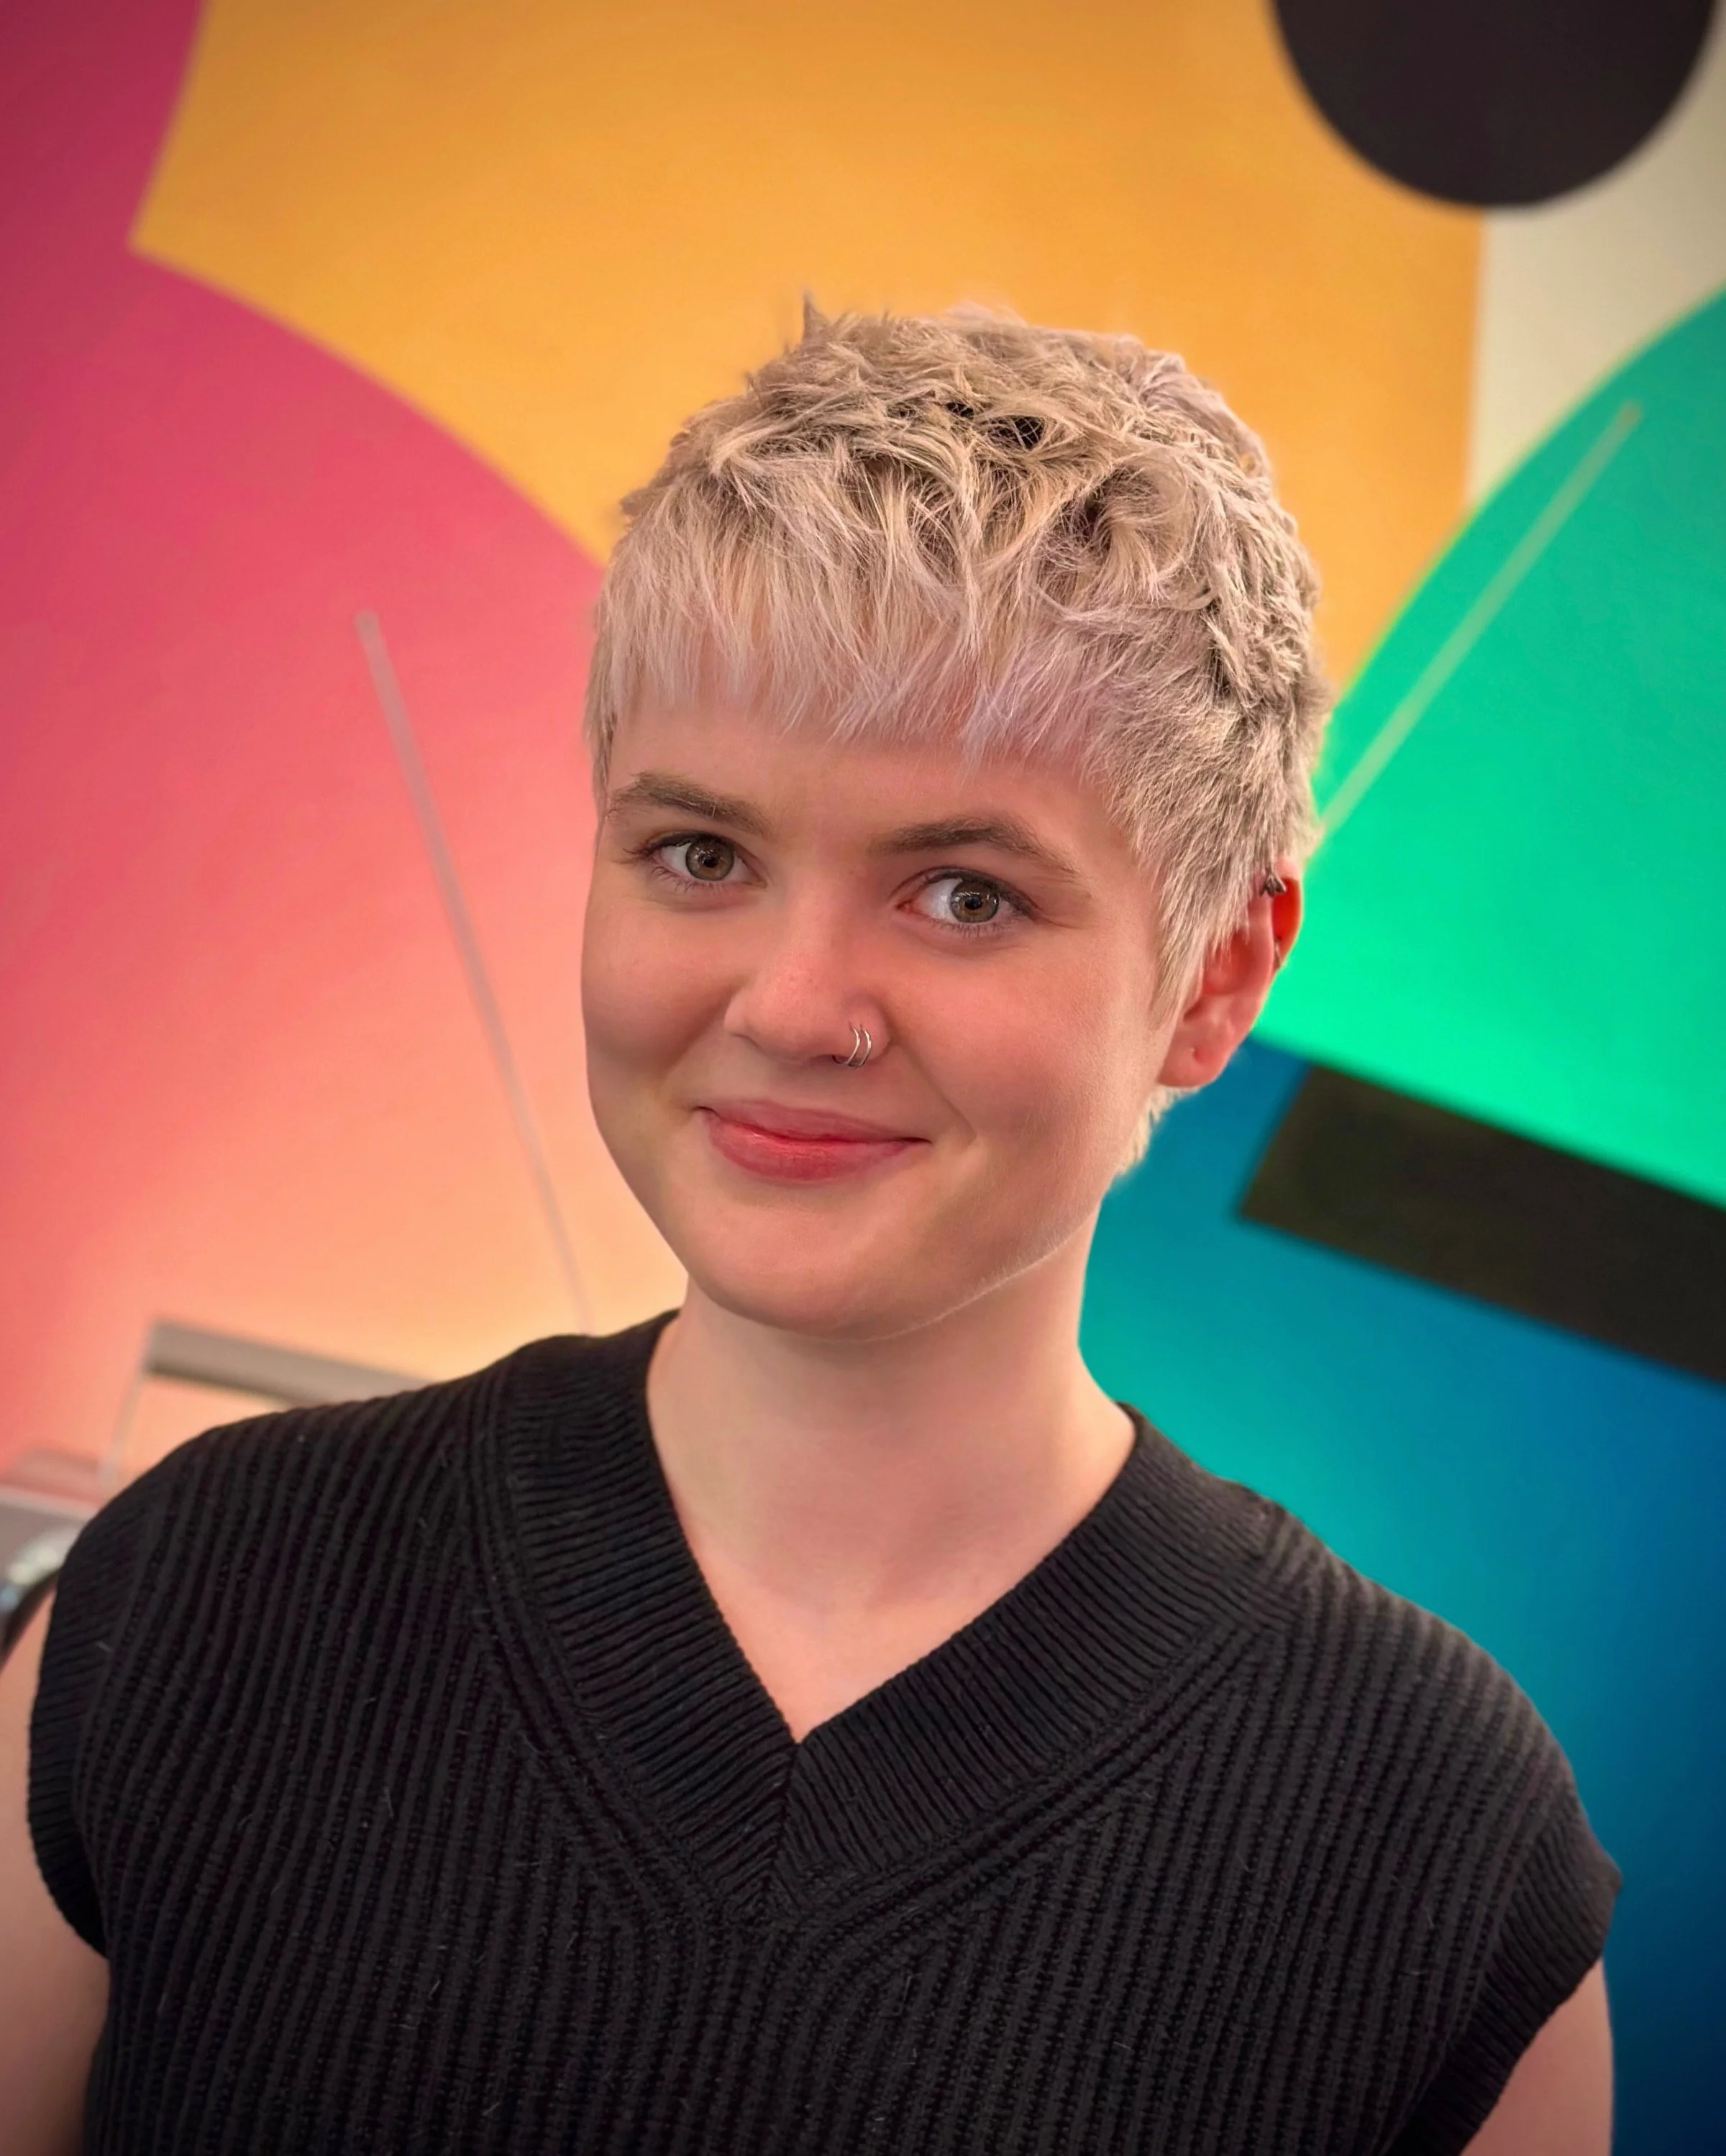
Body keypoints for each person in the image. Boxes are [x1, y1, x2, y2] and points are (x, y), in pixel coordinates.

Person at [0, 306, 1617, 2154]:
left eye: (962, 891)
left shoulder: (1441, 1850)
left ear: (1215, 975)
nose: (793, 1001)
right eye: (702, 855)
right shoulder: (191, 1601)